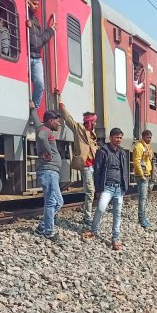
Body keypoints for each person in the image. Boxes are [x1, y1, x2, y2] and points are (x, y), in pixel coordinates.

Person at [55, 89, 98, 228]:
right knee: (90, 191)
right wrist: (60, 102)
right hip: (85, 165)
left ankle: (87, 211)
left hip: (93, 166)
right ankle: (87, 216)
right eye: (94, 122)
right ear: (89, 122)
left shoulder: (93, 133)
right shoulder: (79, 128)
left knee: (91, 191)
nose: (96, 124)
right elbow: (68, 119)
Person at [84, 128, 128, 250]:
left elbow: (124, 170)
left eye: (120, 137)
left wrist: (125, 186)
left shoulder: (122, 153)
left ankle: (115, 237)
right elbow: (97, 171)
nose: (118, 140)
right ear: (110, 138)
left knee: (117, 213)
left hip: (119, 187)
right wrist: (98, 189)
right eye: (116, 137)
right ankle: (94, 230)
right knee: (101, 208)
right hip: (107, 187)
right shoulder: (103, 151)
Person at [29, 103, 63, 241]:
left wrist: (33, 109)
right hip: (48, 172)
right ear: (50, 121)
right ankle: (49, 232)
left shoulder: (41, 126)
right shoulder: (46, 131)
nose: (59, 124)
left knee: (58, 202)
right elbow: (42, 136)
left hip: (50, 172)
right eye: (57, 121)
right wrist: (48, 152)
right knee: (51, 202)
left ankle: (42, 226)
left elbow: (37, 121)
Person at [26, 0, 55, 108]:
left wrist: (50, 31)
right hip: (26, 55)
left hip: (36, 57)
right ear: (28, 2)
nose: (36, 7)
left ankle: (33, 110)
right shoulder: (23, 12)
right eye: (34, 4)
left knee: (40, 84)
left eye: (38, 4)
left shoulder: (35, 19)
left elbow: (40, 40)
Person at [133, 130, 154, 228]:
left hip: (147, 174)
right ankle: (141, 219)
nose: (149, 139)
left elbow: (149, 158)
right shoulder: (139, 146)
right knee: (142, 198)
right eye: (148, 137)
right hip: (142, 176)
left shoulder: (146, 146)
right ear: (143, 137)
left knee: (144, 198)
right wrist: (141, 175)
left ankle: (143, 217)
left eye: (150, 137)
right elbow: (136, 161)